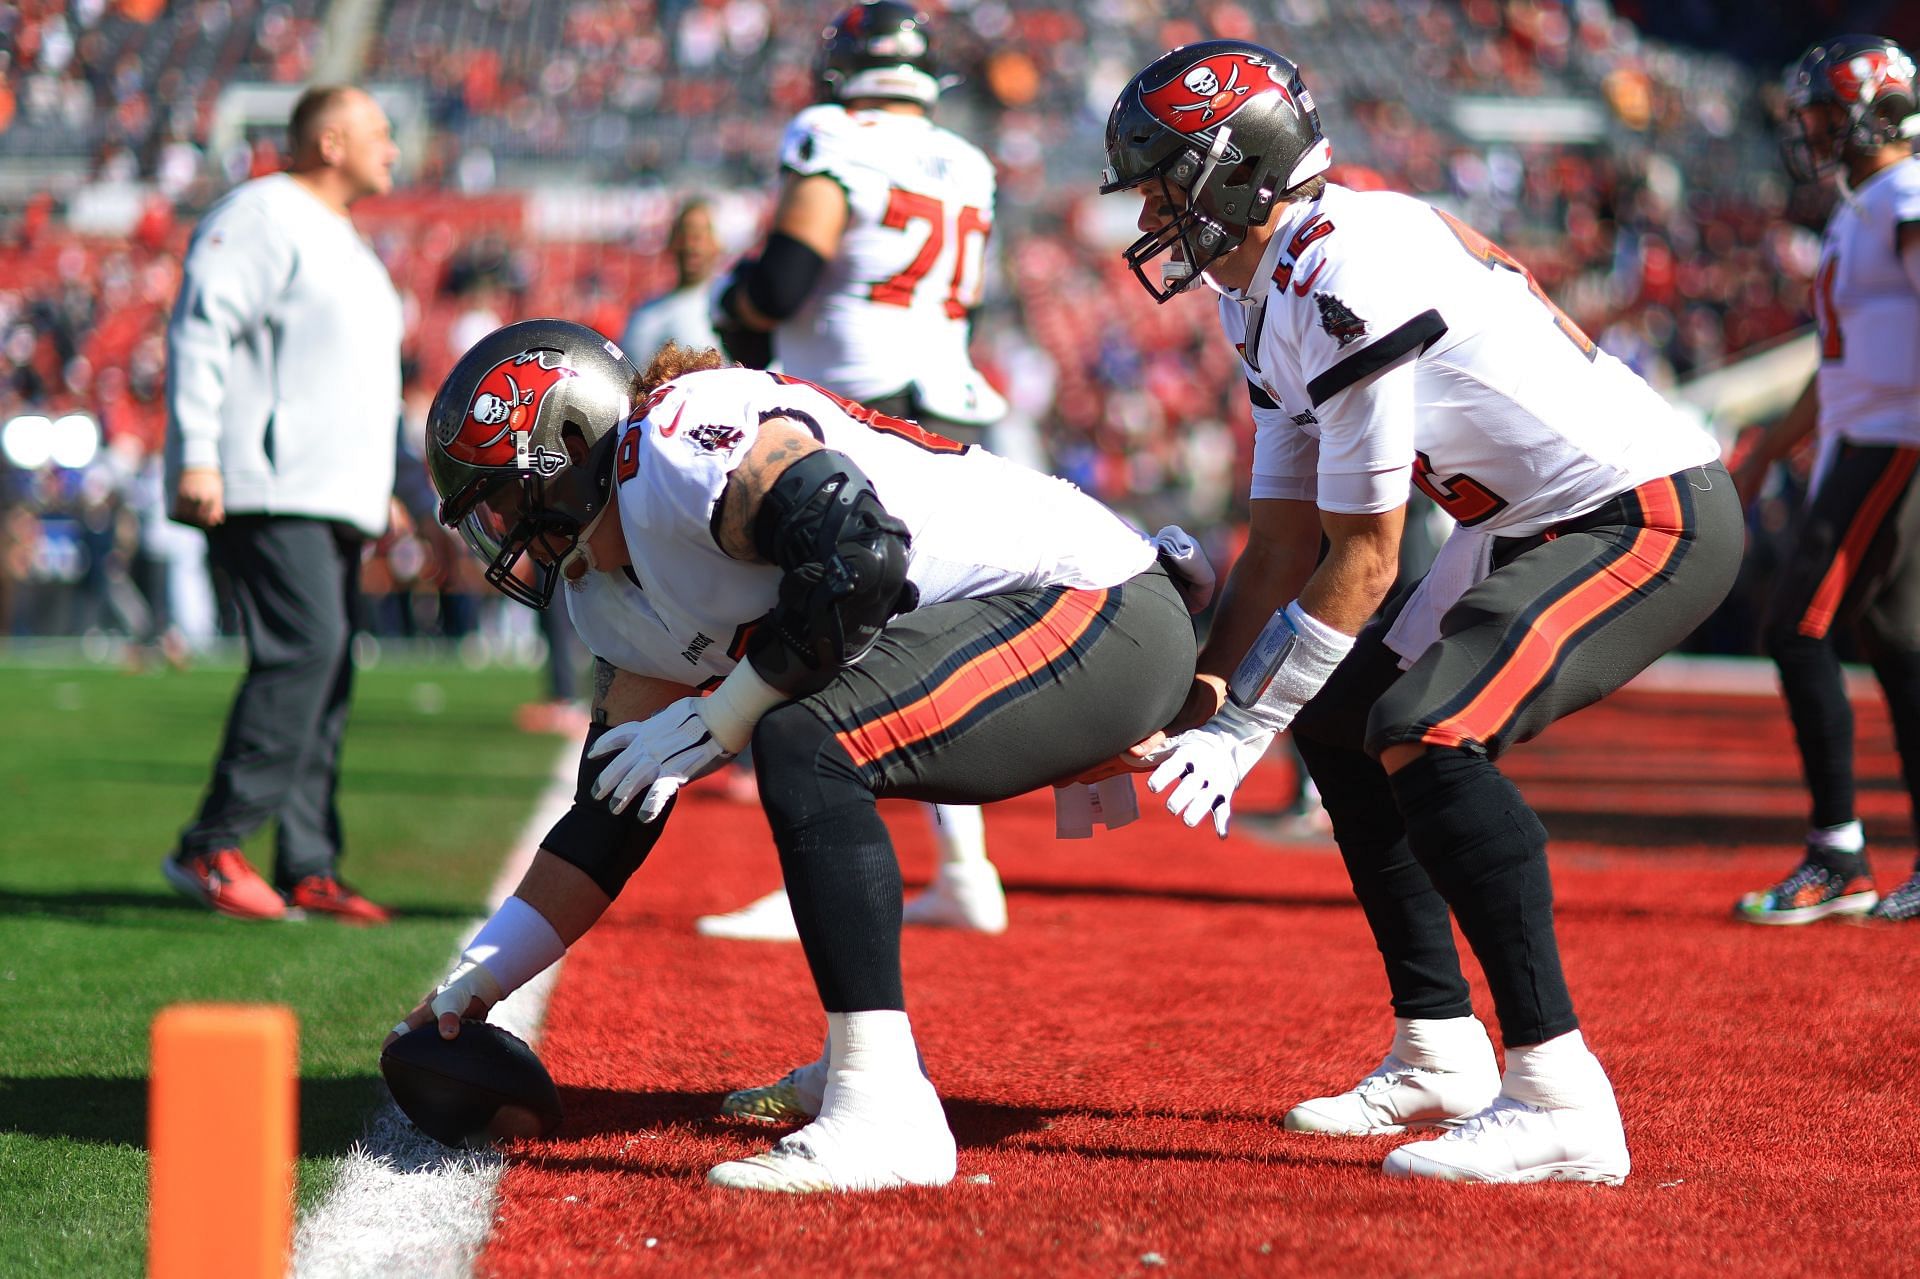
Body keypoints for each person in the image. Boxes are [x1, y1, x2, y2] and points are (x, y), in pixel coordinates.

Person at [1097, 41, 1742, 1184]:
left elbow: (1365, 555)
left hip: (1639, 511)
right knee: (1342, 720)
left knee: (1434, 734)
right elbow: (1285, 538)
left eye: (1163, 179)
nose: (1151, 211)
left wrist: (1242, 732)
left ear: (1239, 166)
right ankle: (1441, 1042)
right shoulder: (1274, 285)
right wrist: (1198, 691)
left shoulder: (1346, 266)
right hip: (1526, 521)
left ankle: (1559, 1096)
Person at [392, 321, 1200, 1192]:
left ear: (573, 441)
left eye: (504, 500)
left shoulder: (677, 443)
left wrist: (730, 711)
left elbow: (861, 555)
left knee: (801, 733)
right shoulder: (607, 590)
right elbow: (612, 809)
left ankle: (885, 1106)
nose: (501, 532)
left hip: (1099, 603)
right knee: (799, 722)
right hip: (1019, 624)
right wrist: (477, 979)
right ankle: (864, 1055)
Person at [701, 0, 1013, 940]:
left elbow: (789, 276)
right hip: (947, 405)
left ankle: (818, 877)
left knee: (808, 629)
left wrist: (736, 304)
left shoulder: (832, 134)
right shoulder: (970, 161)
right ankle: (966, 870)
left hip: (853, 412)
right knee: (926, 634)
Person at [160, 85, 404, 924]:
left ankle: (307, 862)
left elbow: (348, 384)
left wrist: (378, 490)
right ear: (329, 141)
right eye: (379, 132)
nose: (394, 148)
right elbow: (202, 328)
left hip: (328, 491)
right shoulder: (264, 213)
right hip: (265, 485)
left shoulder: (345, 241)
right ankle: (211, 845)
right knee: (307, 649)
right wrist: (197, 455)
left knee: (328, 667)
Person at [1730, 35, 1920, 926]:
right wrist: (1770, 450)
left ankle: (1838, 851)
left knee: (1797, 624)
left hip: (1896, 441)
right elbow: (1840, 361)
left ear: (1869, 111)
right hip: (1865, 438)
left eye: (1820, 116)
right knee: (1895, 641)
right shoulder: (1864, 206)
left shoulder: (1907, 194)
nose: (1810, 134)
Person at [622, 197, 724, 366]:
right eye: (684, 234)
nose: (691, 245)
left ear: (717, 243)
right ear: (671, 242)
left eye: (700, 235)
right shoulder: (644, 312)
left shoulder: (727, 310)